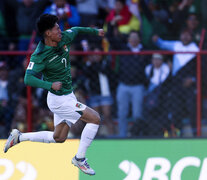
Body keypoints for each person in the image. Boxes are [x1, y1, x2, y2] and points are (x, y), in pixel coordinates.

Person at [4, 13, 105, 176]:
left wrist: (95, 32)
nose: (60, 31)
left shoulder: (64, 38)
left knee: (59, 137)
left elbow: (77, 29)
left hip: (67, 95)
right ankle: (80, 159)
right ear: (48, 33)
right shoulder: (40, 55)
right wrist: (49, 84)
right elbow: (28, 78)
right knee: (95, 118)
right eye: (57, 28)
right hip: (59, 100)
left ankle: (19, 137)